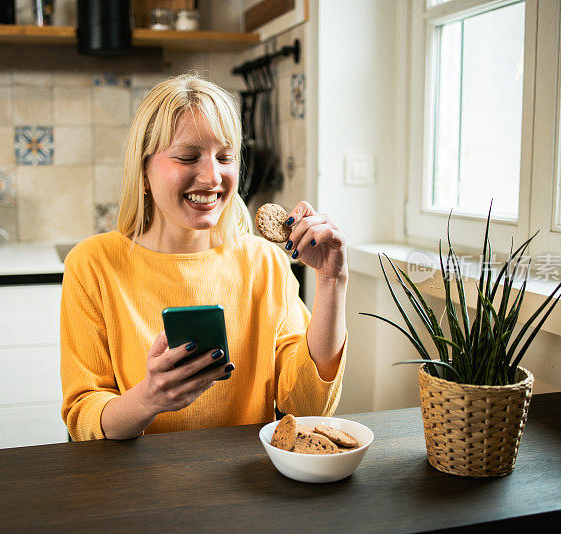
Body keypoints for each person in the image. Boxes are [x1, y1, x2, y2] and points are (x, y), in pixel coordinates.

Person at [60, 74, 349, 441]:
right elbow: (83, 417)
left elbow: (308, 406)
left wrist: (332, 282)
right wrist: (147, 400)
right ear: (144, 169)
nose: (212, 177)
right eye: (187, 156)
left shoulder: (264, 262)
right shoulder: (92, 264)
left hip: (245, 480)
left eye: (225, 157)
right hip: (134, 483)